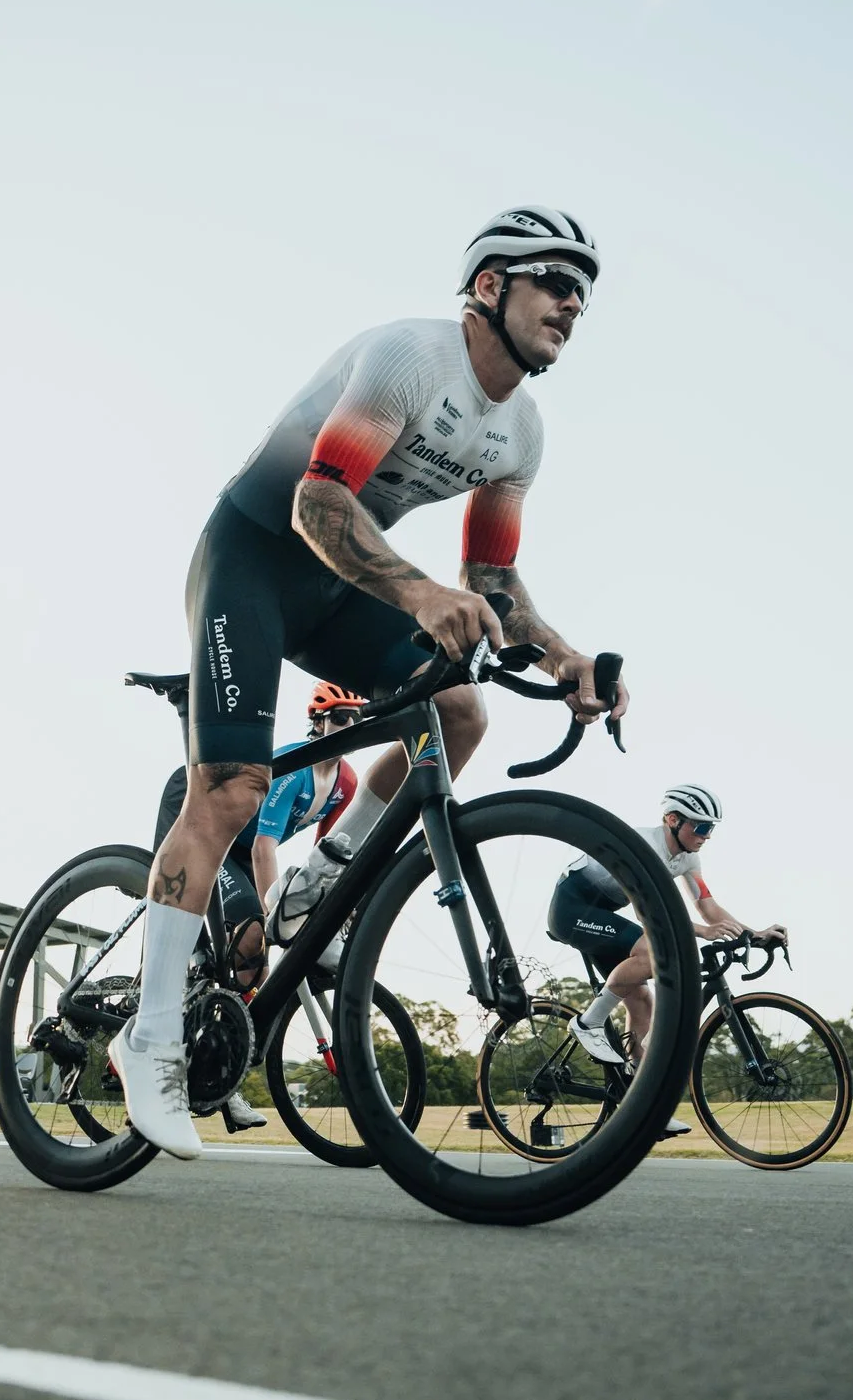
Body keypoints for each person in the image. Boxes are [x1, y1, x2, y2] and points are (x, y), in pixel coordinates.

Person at [122, 207, 631, 1159]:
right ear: (491, 285)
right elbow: (319, 501)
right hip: (258, 555)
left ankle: (321, 878)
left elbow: (491, 583)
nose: (573, 301)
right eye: (554, 279)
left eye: (584, 291)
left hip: (344, 580)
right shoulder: (409, 358)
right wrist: (419, 590)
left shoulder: (521, 430)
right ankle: (148, 1040)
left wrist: (562, 654)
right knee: (231, 788)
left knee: (459, 712)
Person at [146, 680, 366, 1132]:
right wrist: (275, 914)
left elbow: (328, 857)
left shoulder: (345, 783)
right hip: (206, 821)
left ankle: (219, 1067)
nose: (349, 726)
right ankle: (170, 1006)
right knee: (251, 934)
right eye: (340, 718)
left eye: (357, 718)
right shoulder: (296, 769)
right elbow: (266, 848)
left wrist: (338, 907)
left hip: (241, 849)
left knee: (252, 968)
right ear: (319, 722)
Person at [547, 784, 785, 1081]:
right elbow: (646, 913)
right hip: (571, 911)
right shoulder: (643, 846)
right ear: (673, 820)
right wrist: (703, 932)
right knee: (654, 952)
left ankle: (638, 1097)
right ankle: (588, 1022)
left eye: (711, 828)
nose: (707, 835)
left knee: (642, 1001)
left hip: (603, 916)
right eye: (701, 826)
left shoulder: (687, 857)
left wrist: (755, 933)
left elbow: (708, 907)